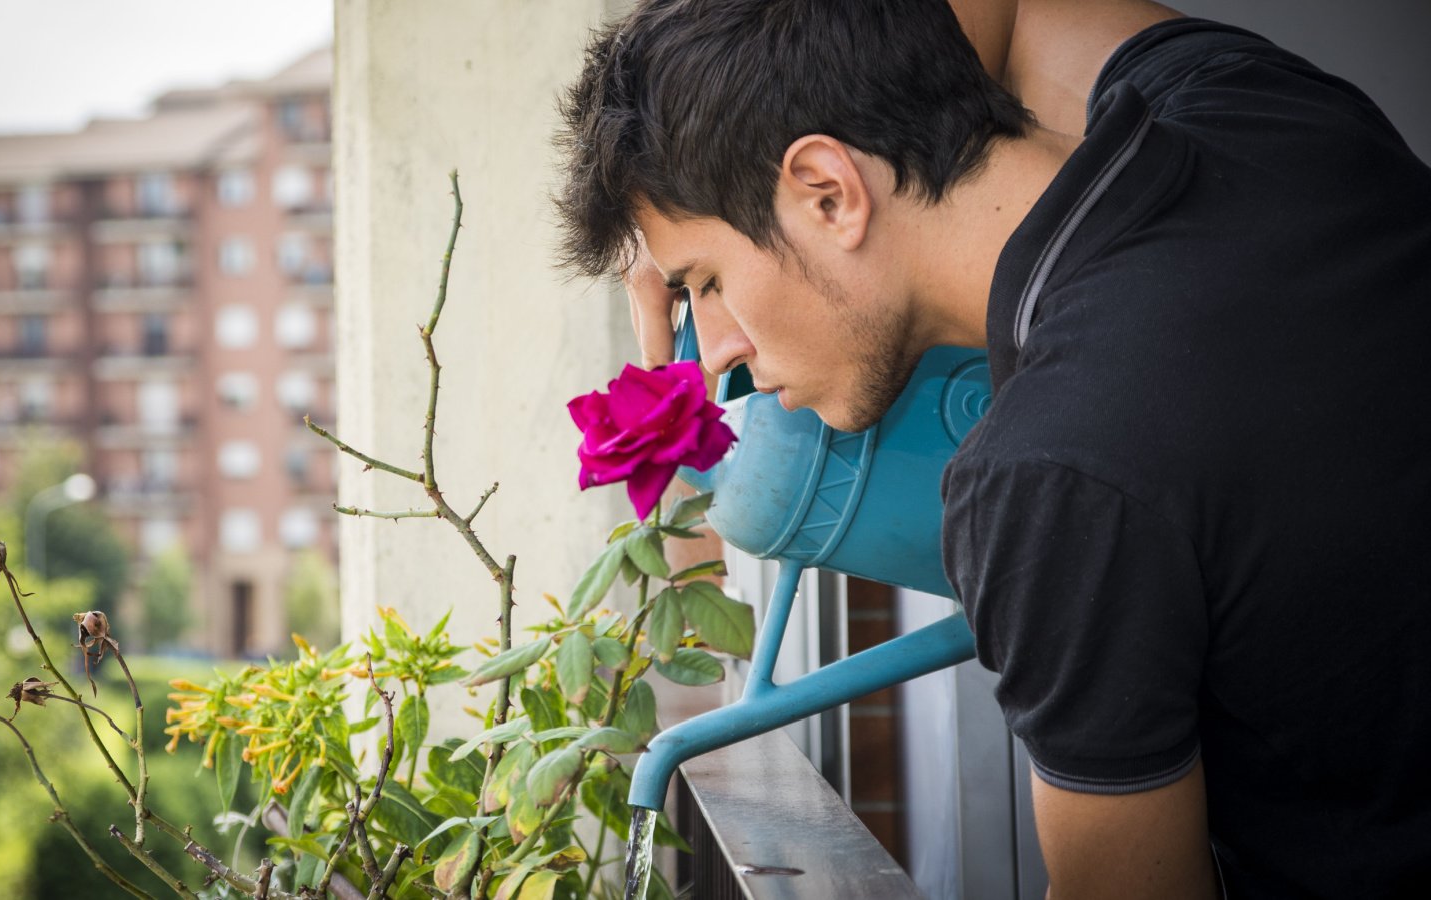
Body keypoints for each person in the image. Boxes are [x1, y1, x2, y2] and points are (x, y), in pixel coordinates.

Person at [552, 1, 1431, 897]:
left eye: (706, 282)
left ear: (828, 190)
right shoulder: (1252, 101)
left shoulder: (1049, 475)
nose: (720, 350)